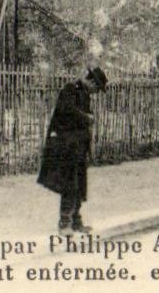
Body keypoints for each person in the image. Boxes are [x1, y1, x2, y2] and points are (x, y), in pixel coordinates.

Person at [37, 65, 109, 232]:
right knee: (70, 185)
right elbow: (67, 110)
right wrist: (87, 118)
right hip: (65, 147)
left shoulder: (84, 94)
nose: (96, 92)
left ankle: (76, 222)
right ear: (90, 81)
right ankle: (64, 224)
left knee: (79, 186)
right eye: (96, 87)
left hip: (78, 148)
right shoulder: (70, 89)